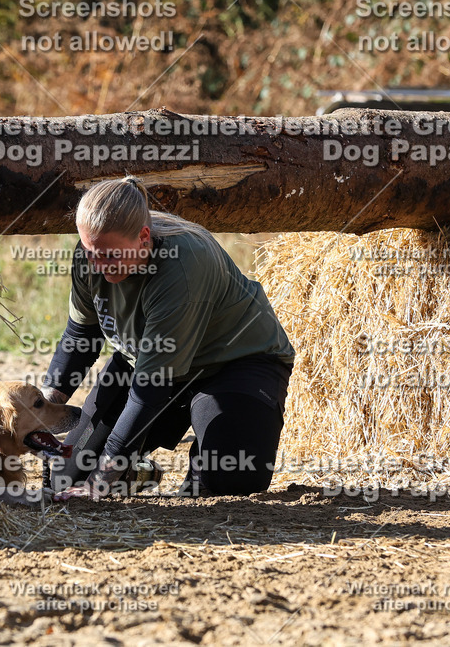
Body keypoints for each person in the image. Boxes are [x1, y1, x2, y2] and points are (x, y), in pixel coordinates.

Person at [40, 176, 296, 501]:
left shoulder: (181, 266)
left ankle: (207, 457)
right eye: (90, 252)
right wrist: (41, 409)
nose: (97, 265)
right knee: (67, 475)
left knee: (225, 480)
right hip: (146, 361)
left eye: (109, 256)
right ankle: (136, 473)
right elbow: (81, 335)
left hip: (233, 364)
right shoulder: (91, 253)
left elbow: (149, 390)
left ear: (143, 238)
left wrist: (100, 482)